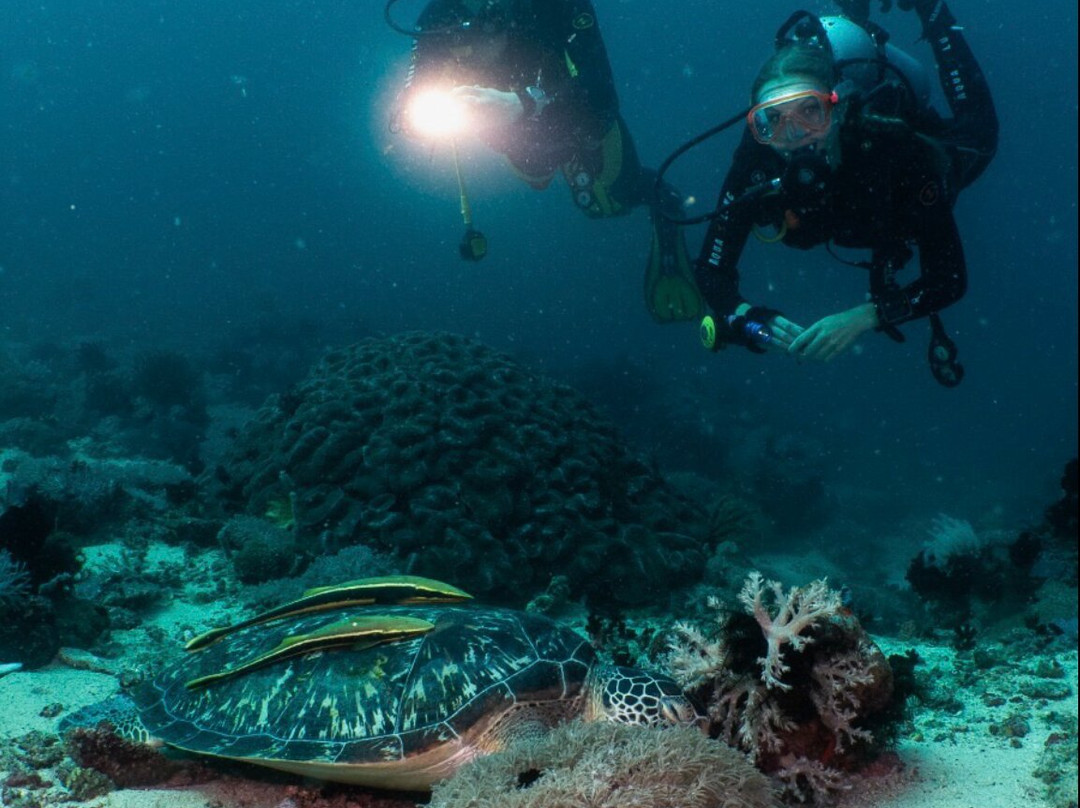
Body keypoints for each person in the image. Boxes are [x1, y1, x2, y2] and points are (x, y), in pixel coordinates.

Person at [693, 0, 998, 385]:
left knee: (980, 138)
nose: (795, 134)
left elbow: (949, 278)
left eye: (810, 111)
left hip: (898, 176)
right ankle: (854, 16)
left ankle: (931, 9)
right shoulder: (758, 161)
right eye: (772, 120)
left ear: (836, 108)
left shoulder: (893, 150)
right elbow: (711, 270)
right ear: (758, 125)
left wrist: (868, 316)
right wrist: (748, 319)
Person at [388, 0, 704, 322]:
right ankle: (560, 159)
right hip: (510, 128)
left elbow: (602, 97)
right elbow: (410, 104)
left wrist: (524, 102)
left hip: (575, 111)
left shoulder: (558, 5)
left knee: (616, 193)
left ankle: (664, 208)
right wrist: (414, 115)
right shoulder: (436, 19)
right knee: (536, 169)